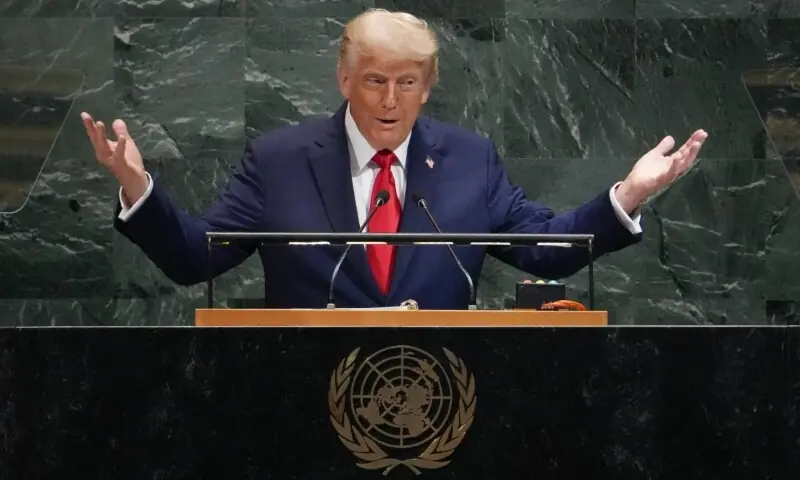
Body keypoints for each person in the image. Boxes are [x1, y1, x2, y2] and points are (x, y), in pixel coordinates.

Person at [80, 9, 708, 310]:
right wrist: (137, 186)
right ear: (344, 80)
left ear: (428, 86)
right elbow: (197, 257)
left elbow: (546, 250)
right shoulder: (280, 160)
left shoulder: (468, 160)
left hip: (439, 403)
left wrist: (627, 195)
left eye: (407, 82)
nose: (389, 99)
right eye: (374, 80)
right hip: (295, 403)